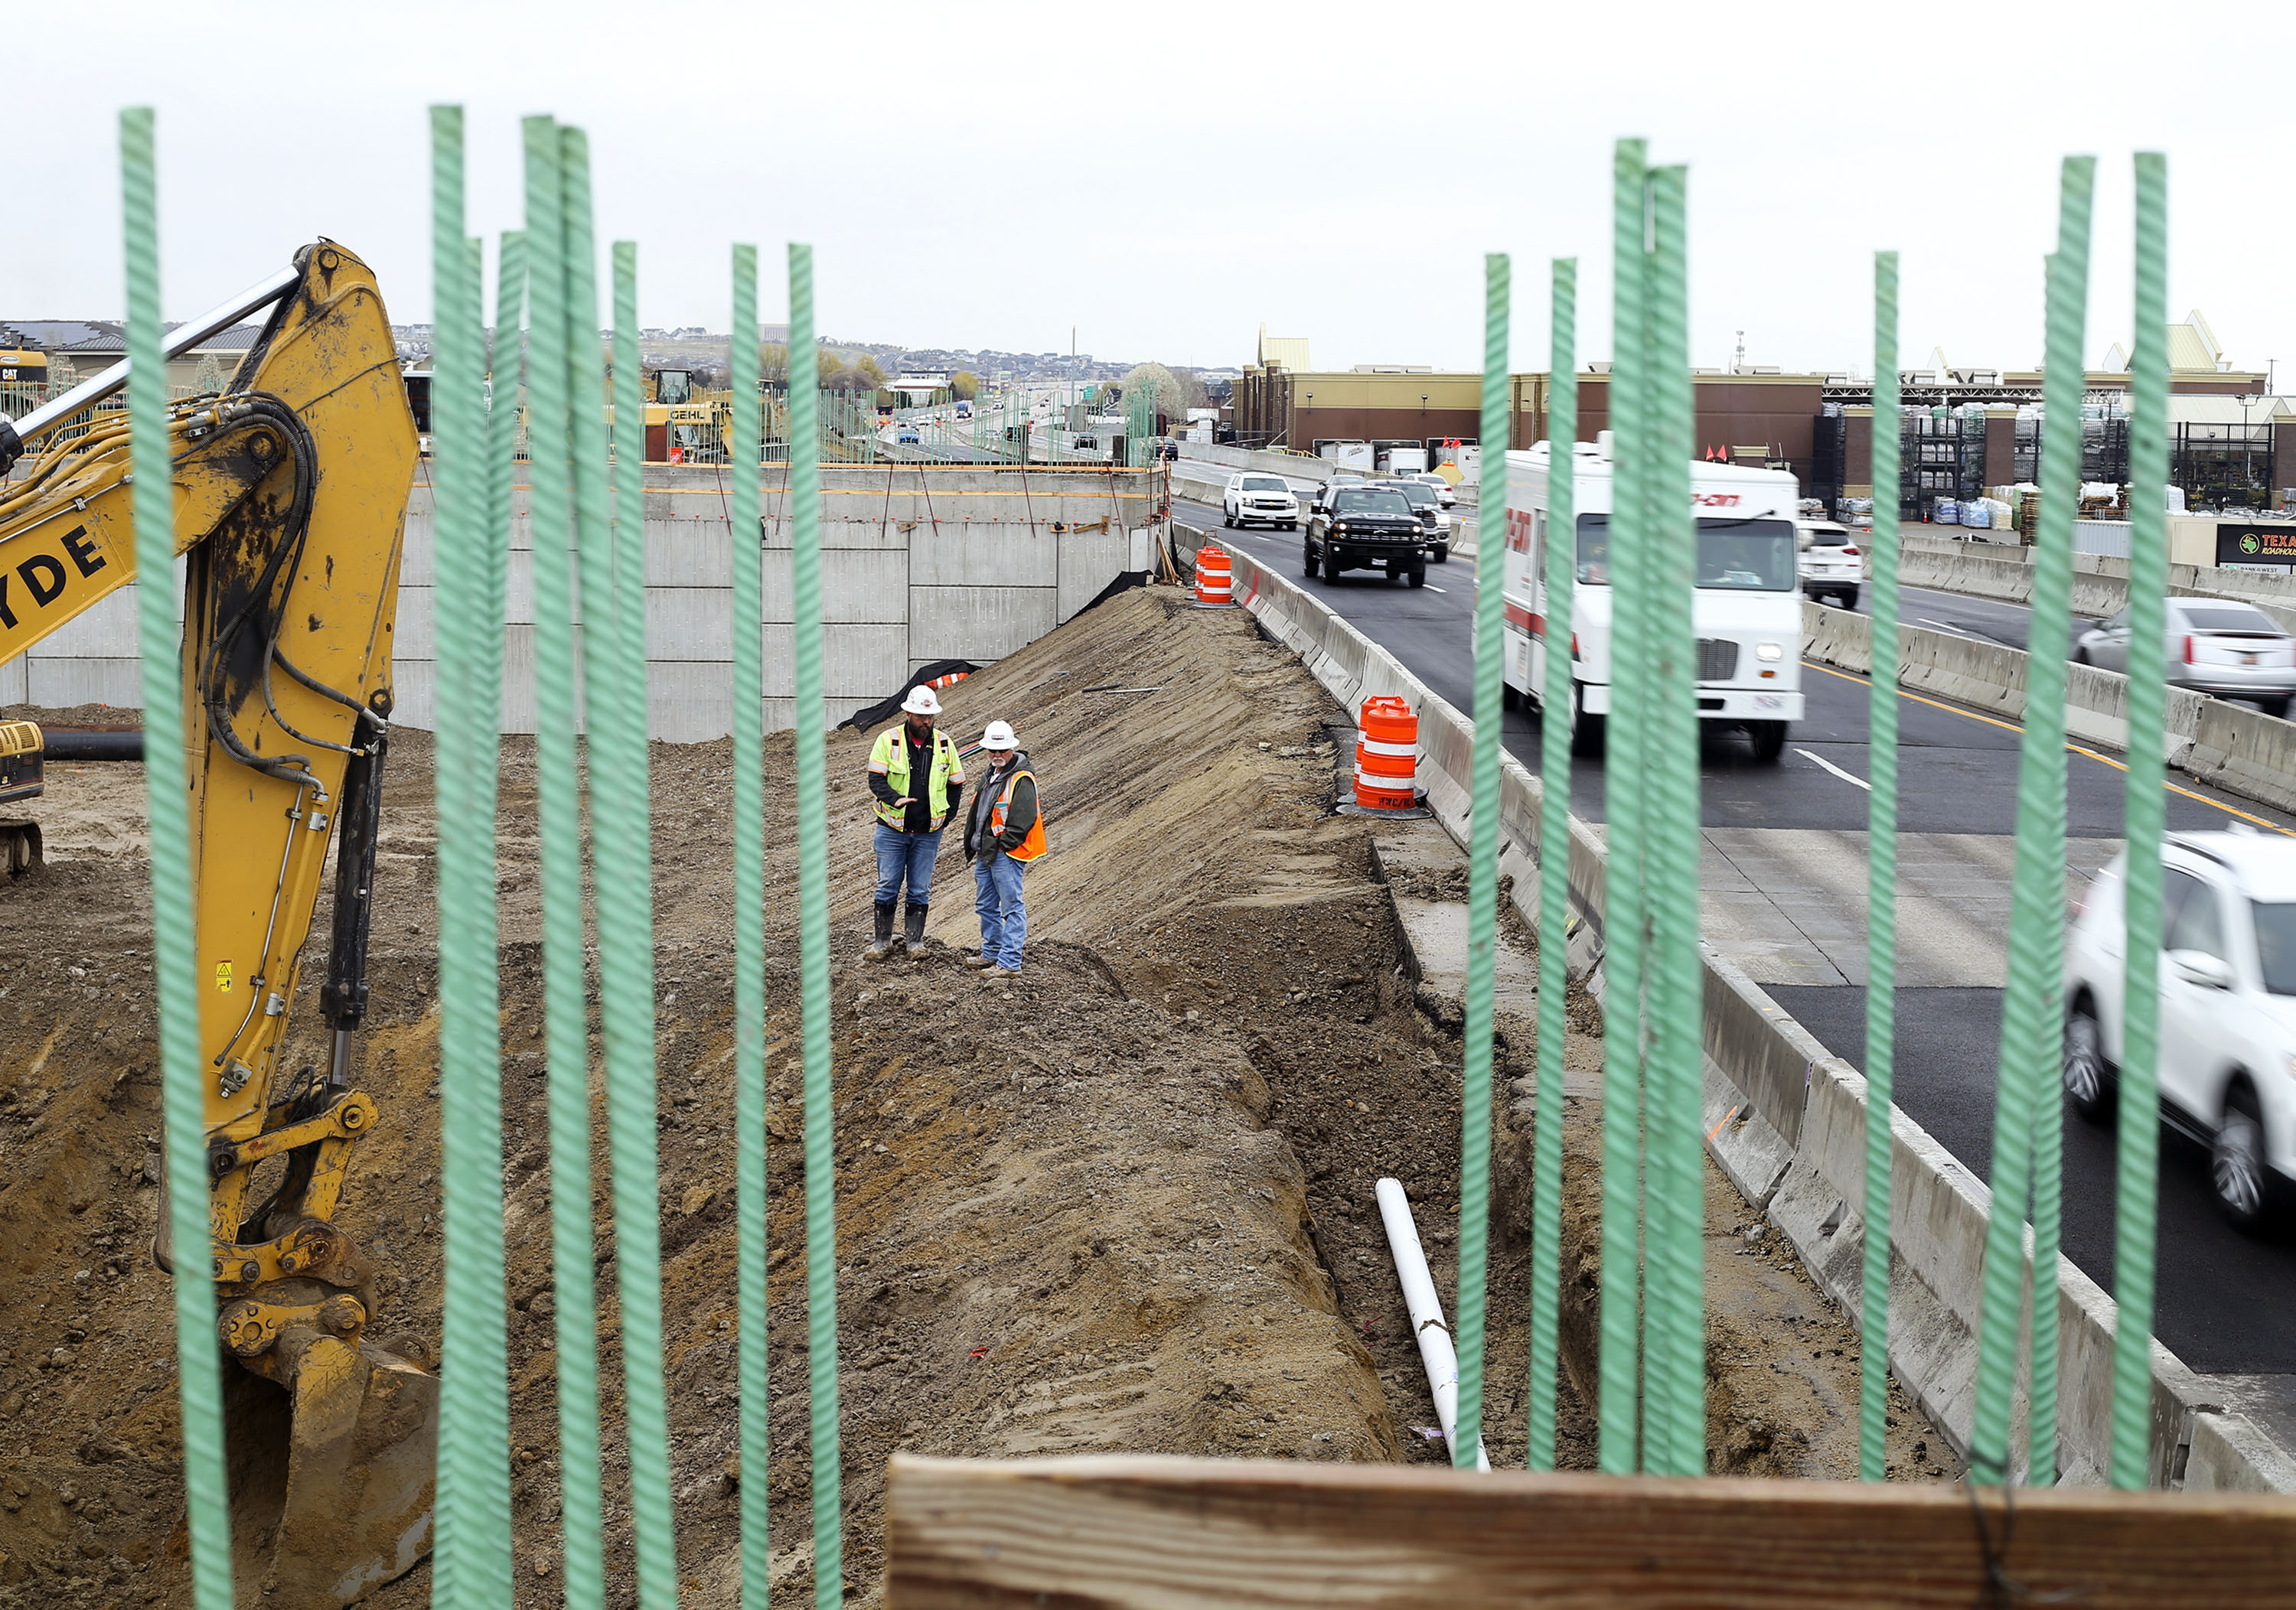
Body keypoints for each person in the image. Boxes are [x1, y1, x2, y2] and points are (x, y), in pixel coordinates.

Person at [864, 684, 966, 961]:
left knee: (920, 887)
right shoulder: (888, 740)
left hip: (928, 832)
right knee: (888, 884)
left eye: (930, 716)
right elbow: (875, 780)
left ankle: (914, 943)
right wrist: (895, 799)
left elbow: (956, 784)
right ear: (908, 713)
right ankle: (882, 942)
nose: (927, 721)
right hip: (892, 830)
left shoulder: (944, 744)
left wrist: (948, 816)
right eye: (922, 716)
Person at [961, 720, 1044, 979]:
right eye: (993, 751)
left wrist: (1002, 845)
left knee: (1011, 907)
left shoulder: (1021, 778)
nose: (997, 755)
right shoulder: (990, 775)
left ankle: (1009, 963)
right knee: (986, 905)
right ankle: (992, 953)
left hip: (1005, 854)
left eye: (1002, 751)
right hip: (988, 851)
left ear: (1011, 749)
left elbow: (1023, 818)